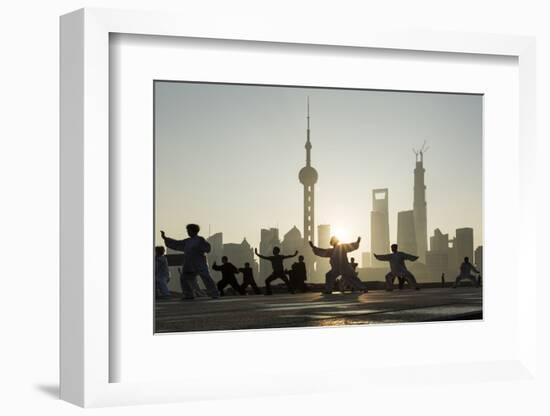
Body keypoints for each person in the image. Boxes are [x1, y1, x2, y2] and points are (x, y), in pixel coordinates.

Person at [160, 224, 220, 300]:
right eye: (187, 231)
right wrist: (166, 238)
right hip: (189, 263)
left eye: (189, 231)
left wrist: (200, 248)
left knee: (206, 278)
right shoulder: (187, 241)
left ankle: (214, 293)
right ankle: (188, 294)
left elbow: (207, 248)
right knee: (184, 278)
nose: (188, 232)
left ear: (194, 231)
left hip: (199, 263)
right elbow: (177, 243)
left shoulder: (200, 239)